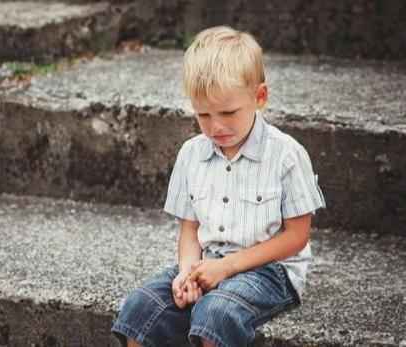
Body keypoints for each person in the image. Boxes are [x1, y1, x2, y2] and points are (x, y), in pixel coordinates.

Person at [111, 25, 326, 347]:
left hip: (269, 271)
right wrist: (186, 273)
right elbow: (189, 229)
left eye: (228, 112)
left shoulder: (286, 155)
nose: (216, 126)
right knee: (141, 308)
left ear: (260, 97)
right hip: (206, 261)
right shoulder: (192, 154)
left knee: (216, 314)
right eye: (204, 115)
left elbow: (296, 237)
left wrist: (227, 267)